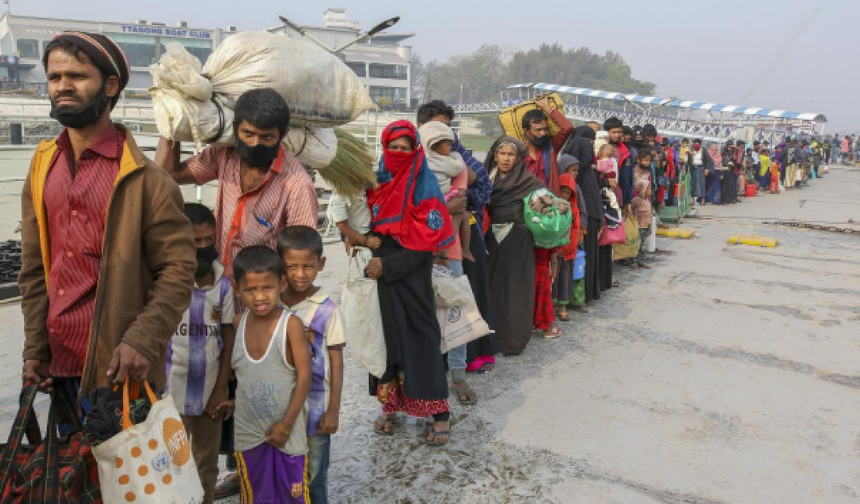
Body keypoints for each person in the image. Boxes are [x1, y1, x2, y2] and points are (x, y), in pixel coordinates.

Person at [20, 32, 196, 408]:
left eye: (77, 76)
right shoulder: (41, 165)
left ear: (110, 85)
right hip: (58, 365)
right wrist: (35, 346)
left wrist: (141, 340)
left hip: (120, 366)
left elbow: (178, 269)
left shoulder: (147, 180)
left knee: (125, 467)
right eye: (54, 77)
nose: (63, 86)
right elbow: (34, 268)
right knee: (65, 468)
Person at [155, 88, 318, 282]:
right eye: (248, 134)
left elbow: (301, 257)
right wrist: (172, 125)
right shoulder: (224, 156)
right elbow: (168, 175)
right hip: (217, 291)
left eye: (267, 137)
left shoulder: (297, 185)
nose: (255, 143)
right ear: (235, 128)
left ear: (283, 134)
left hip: (258, 301)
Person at [365, 120, 454, 446]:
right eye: (393, 147)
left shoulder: (424, 186)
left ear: (415, 150)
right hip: (380, 276)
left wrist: (387, 265)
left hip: (410, 275)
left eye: (405, 148)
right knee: (384, 339)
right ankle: (390, 407)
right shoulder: (375, 183)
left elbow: (425, 242)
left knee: (421, 338)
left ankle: (440, 413)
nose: (398, 154)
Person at [218, 246, 311, 504]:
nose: (259, 297)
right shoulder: (239, 323)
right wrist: (240, 401)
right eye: (250, 290)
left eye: (267, 288)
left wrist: (285, 426)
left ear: (281, 284)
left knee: (292, 497)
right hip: (249, 433)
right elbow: (251, 374)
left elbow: (304, 378)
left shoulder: (290, 325)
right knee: (256, 495)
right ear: (237, 289)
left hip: (287, 435)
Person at [416, 101, 497, 383]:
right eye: (436, 134)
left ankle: (458, 373)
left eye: (447, 134)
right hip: (417, 248)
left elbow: (460, 202)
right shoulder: (412, 163)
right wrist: (441, 208)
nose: (445, 140)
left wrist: (437, 207)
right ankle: (428, 370)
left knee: (456, 309)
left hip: (449, 248)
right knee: (423, 310)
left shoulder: (457, 165)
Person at [166, 203, 236, 504]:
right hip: (171, 395)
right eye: (196, 242)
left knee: (206, 465)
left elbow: (228, 336)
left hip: (210, 393)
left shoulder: (223, 287)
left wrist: (221, 388)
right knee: (170, 464)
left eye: (209, 241)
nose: (204, 248)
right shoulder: (166, 284)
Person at [278, 226, 345, 504]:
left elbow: (336, 361)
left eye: (308, 266)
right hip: (280, 408)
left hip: (317, 411)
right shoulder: (271, 304)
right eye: (291, 266)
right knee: (283, 472)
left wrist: (334, 410)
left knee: (315, 474)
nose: (300, 274)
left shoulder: (327, 310)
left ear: (321, 264)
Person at [486, 136, 546, 355]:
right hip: (490, 238)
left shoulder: (530, 183)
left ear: (519, 159)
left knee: (515, 288)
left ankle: (512, 341)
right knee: (491, 287)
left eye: (511, 154)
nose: (505, 158)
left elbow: (544, 211)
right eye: (502, 154)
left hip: (518, 240)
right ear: (495, 155)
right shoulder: (486, 179)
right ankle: (489, 340)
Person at [419, 121, 474, 263]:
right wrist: (445, 207)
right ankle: (459, 247)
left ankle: (451, 244)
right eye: (448, 145)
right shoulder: (449, 162)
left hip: (448, 252)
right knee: (461, 214)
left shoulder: (420, 162)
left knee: (461, 211)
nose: (451, 148)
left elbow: (460, 201)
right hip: (421, 246)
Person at [562, 126, 603, 302]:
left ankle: (581, 294)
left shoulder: (581, 173)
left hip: (585, 222)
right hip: (581, 224)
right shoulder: (578, 176)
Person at [522, 95, 574, 195]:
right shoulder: (519, 151)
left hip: (550, 204)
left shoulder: (551, 147)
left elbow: (568, 127)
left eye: (545, 129)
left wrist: (547, 108)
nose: (543, 133)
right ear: (526, 132)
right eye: (538, 130)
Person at [551, 161, 584, 320]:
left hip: (567, 251)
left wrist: (570, 246)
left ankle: (562, 307)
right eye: (561, 191)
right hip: (553, 250)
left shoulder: (574, 208)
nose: (564, 195)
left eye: (568, 193)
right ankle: (551, 306)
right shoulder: (551, 207)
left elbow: (576, 229)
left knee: (564, 279)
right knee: (553, 278)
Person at [328, 188, 381, 265]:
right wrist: (365, 241)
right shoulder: (338, 197)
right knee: (371, 263)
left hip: (372, 231)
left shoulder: (362, 188)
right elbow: (342, 226)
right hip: (360, 235)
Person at [631, 180, 653, 270]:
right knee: (636, 246)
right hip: (638, 227)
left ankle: (641, 262)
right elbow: (631, 210)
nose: (650, 191)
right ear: (642, 189)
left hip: (646, 227)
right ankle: (634, 262)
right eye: (648, 188)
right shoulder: (636, 200)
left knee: (643, 246)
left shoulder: (647, 201)